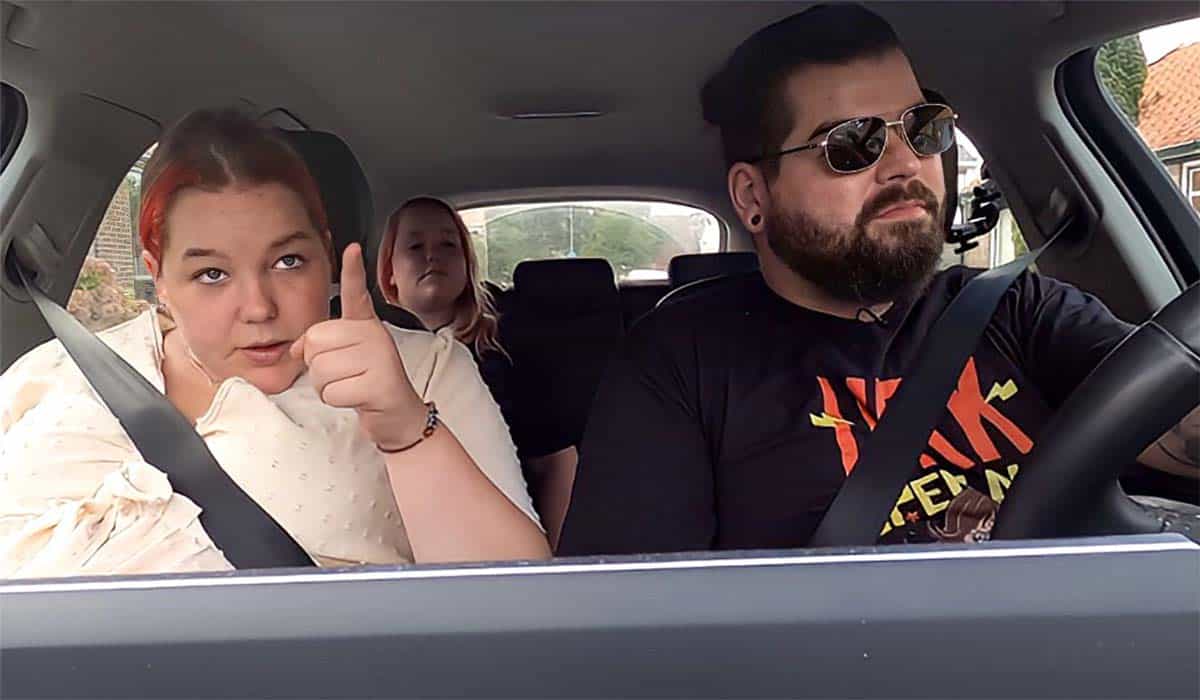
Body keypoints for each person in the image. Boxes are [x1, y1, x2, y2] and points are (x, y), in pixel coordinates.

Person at [557, 4, 1198, 555]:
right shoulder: (678, 364)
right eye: (851, 143)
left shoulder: (1019, 310)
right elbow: (638, 622)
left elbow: (1178, 429)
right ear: (753, 196)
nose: (905, 164)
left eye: (923, 128)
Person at [0, 109, 548, 578]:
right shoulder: (52, 373)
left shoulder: (423, 368)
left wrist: (406, 431)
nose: (259, 307)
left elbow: (516, 604)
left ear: (326, 255)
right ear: (159, 276)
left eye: (288, 262)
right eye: (212, 274)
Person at [377, 197, 576, 547]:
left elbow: (556, 462)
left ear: (466, 264)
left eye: (447, 245)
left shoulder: (509, 349)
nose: (431, 256)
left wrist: (563, 560)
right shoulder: (365, 352)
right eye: (415, 246)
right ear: (388, 269)